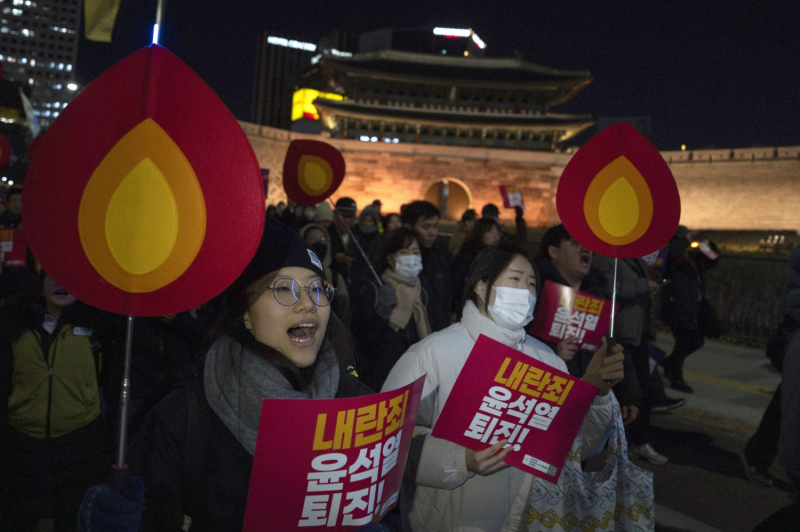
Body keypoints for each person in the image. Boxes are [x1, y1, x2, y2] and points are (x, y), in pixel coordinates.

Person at [78, 218, 374, 531]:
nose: (307, 304)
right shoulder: (186, 415)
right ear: (246, 314)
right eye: (284, 288)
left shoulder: (356, 403)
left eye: (318, 289)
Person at [382, 245, 625, 531]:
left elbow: (577, 448)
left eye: (532, 283)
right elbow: (388, 445)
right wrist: (460, 461)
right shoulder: (432, 353)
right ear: (481, 287)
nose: (526, 291)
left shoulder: (549, 360)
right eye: (515, 279)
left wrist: (595, 393)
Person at [1, 267, 107, 531]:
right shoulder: (15, 325)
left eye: (69, 277)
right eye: (53, 276)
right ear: (41, 281)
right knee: (21, 514)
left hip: (78, 442)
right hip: (24, 442)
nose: (60, 283)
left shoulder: (95, 326)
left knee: (71, 516)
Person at [534, 225, 672, 425]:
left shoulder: (598, 298)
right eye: (575, 244)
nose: (585, 250)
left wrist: (628, 395)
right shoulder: (537, 293)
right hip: (545, 402)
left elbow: (614, 346)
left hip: (588, 405)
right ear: (553, 252)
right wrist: (553, 354)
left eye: (587, 246)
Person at [594, 253, 669, 465]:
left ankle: (636, 441)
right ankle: (620, 442)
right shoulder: (607, 257)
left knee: (639, 391)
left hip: (638, 334)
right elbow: (610, 287)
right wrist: (642, 285)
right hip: (621, 333)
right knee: (625, 392)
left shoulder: (633, 257)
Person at [352, 227, 430, 391]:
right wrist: (382, 314)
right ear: (391, 258)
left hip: (414, 378)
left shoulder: (422, 292)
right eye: (404, 252)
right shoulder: (374, 290)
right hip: (379, 381)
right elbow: (360, 341)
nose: (411, 257)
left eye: (415, 252)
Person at [660, 238, 720, 393]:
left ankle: (669, 364)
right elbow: (674, 253)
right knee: (683, 342)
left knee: (696, 341)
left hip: (692, 310)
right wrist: (687, 243)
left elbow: (715, 258)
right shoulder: (680, 262)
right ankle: (676, 377)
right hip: (678, 308)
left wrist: (704, 244)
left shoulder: (697, 264)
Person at [401, 201, 452, 332]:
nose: (432, 233)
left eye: (435, 227)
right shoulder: (396, 261)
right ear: (408, 228)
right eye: (426, 227)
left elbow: (446, 303)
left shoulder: (439, 260)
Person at [300, 222, 351, 328]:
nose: (319, 243)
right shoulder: (293, 274)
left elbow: (344, 309)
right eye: (313, 239)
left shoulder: (334, 277)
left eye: (323, 239)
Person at [451, 217, 501, 308]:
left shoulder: (497, 256)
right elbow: (457, 285)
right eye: (491, 232)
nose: (496, 237)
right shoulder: (467, 256)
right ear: (480, 233)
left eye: (497, 233)